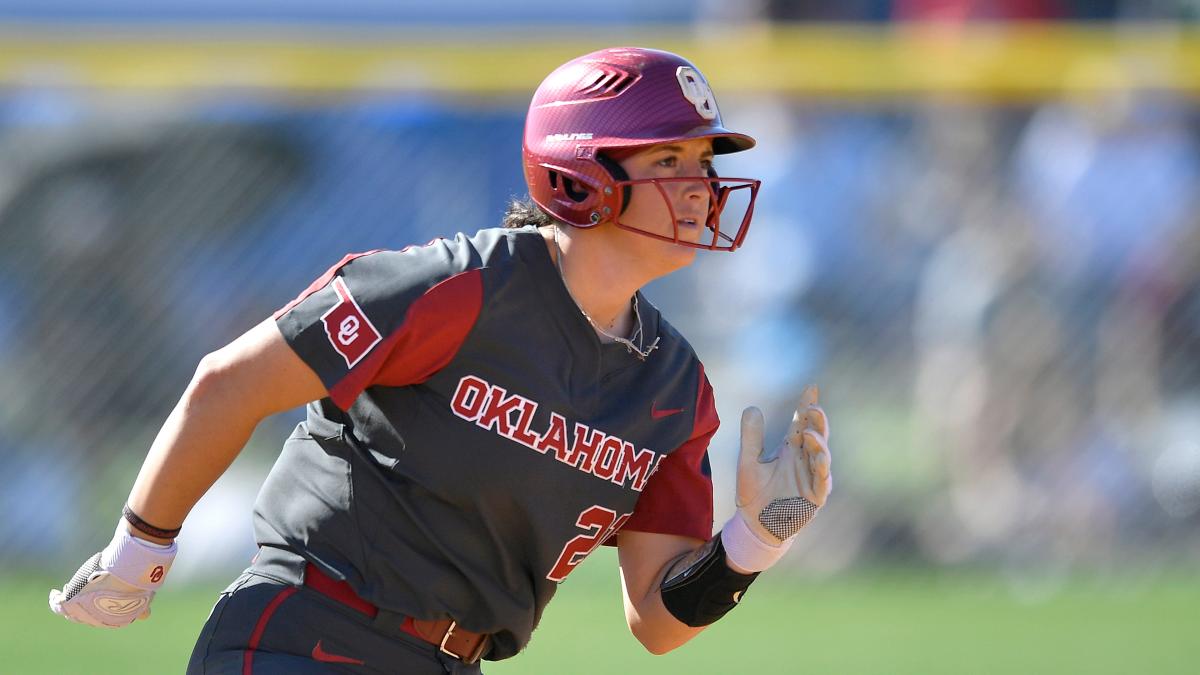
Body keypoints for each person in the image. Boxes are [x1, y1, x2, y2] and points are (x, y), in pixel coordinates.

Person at [48, 46, 833, 674]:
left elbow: (656, 622)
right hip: (306, 633)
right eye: (669, 162)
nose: (702, 186)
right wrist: (139, 551)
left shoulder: (672, 385)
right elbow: (230, 381)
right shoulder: (459, 288)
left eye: (703, 161)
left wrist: (755, 540)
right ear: (580, 172)